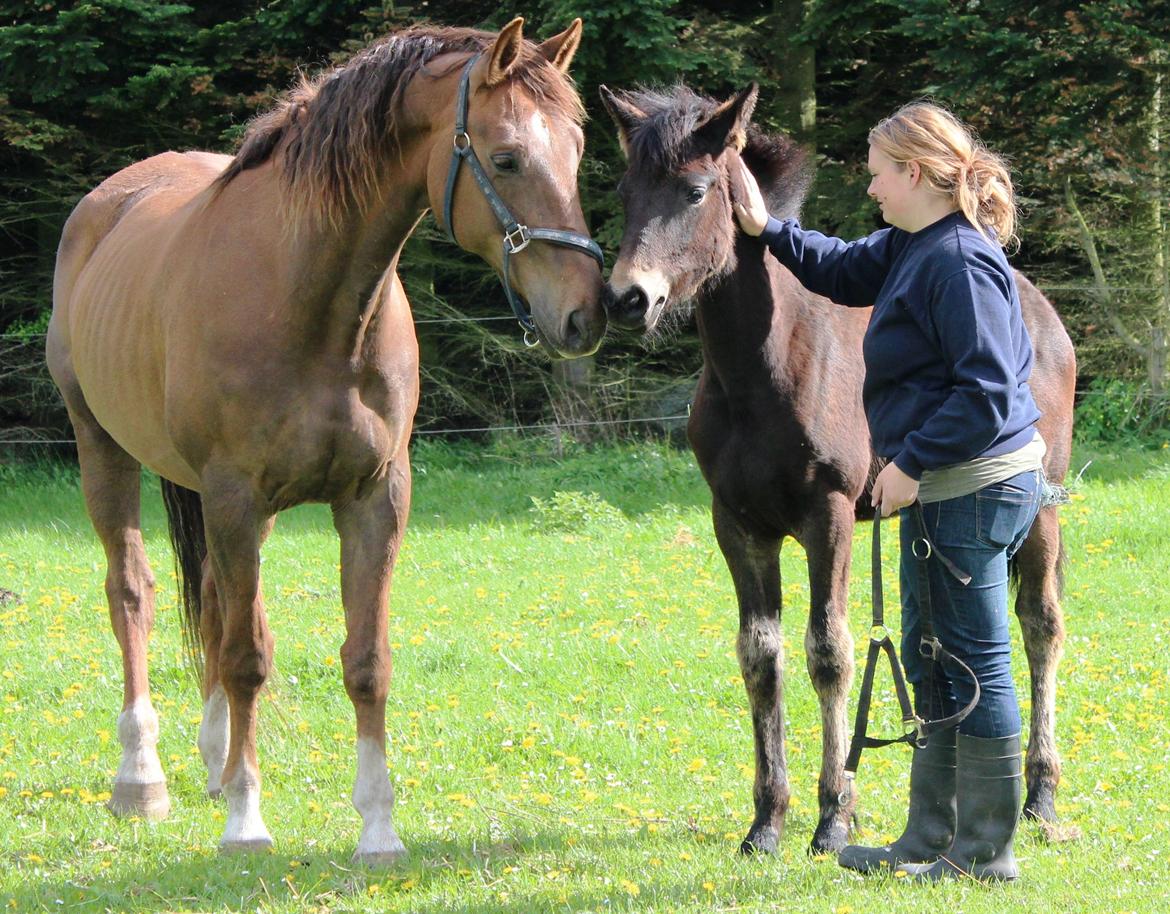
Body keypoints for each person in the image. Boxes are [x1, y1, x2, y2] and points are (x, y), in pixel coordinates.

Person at [730, 101, 1045, 882]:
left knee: (976, 663)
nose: (869, 189)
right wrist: (767, 228)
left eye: (876, 175)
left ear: (914, 174)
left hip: (971, 486)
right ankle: (927, 839)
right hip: (943, 487)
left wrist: (904, 466)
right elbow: (839, 268)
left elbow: (988, 393)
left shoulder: (959, 261)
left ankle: (984, 853)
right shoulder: (914, 244)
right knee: (930, 656)